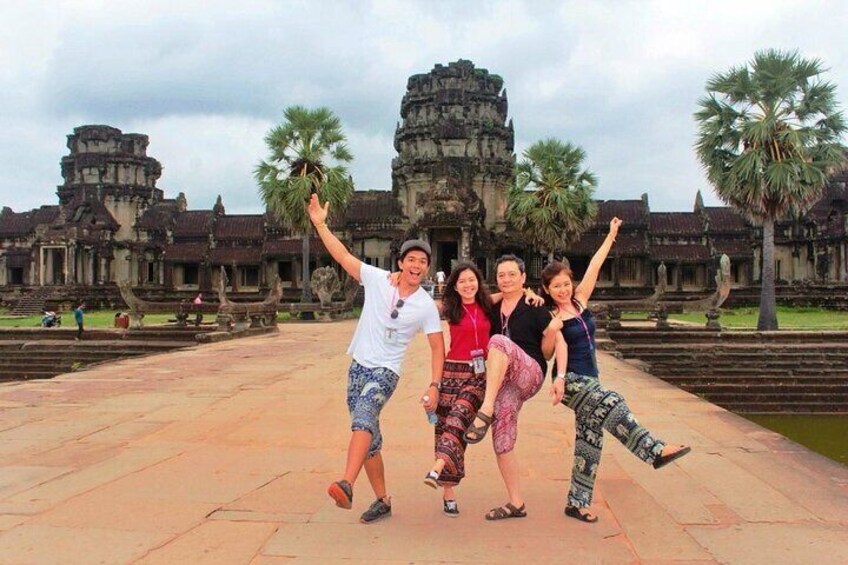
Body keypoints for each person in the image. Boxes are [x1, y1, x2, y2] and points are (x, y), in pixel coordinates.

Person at [307, 193, 445, 524]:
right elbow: (341, 256)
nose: (416, 266)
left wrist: (435, 385)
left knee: (365, 415)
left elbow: (438, 347)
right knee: (369, 438)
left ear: (428, 269)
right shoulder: (375, 279)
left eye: (423, 262)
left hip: (386, 372)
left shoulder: (426, 305)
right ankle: (383, 500)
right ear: (401, 262)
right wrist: (320, 223)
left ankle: (347, 483)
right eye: (412, 259)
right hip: (358, 367)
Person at [543, 217, 691, 523]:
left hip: (591, 379)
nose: (562, 289)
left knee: (590, 441)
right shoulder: (551, 315)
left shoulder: (580, 300)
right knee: (615, 402)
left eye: (565, 283)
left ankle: (577, 502)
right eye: (556, 286)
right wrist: (558, 377)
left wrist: (611, 235)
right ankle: (654, 451)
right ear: (546, 289)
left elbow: (595, 266)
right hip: (570, 382)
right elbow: (556, 350)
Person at [462, 254, 565, 520]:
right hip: (505, 384)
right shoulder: (493, 309)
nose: (506, 279)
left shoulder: (535, 306)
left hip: (530, 372)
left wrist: (552, 334)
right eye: (501, 276)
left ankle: (485, 409)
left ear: (522, 278)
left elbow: (550, 351)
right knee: (502, 437)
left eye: (511, 275)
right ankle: (516, 502)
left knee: (497, 341)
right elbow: (458, 304)